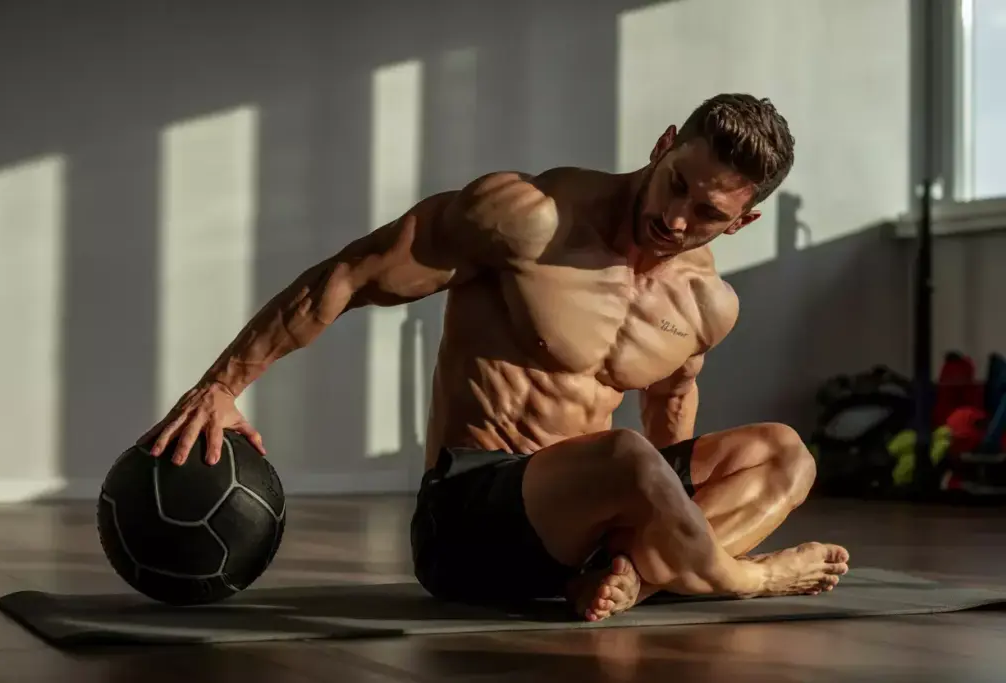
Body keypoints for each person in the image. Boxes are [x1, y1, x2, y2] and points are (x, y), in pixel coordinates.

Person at [141, 93, 850, 622]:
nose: (675, 218)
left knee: (788, 455)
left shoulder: (706, 304)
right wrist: (221, 384)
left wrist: (654, 531)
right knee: (624, 455)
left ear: (743, 221)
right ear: (664, 144)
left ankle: (628, 576)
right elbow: (351, 274)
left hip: (586, 527)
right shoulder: (529, 219)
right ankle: (740, 578)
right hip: (472, 517)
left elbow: (671, 410)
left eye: (708, 215)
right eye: (677, 184)